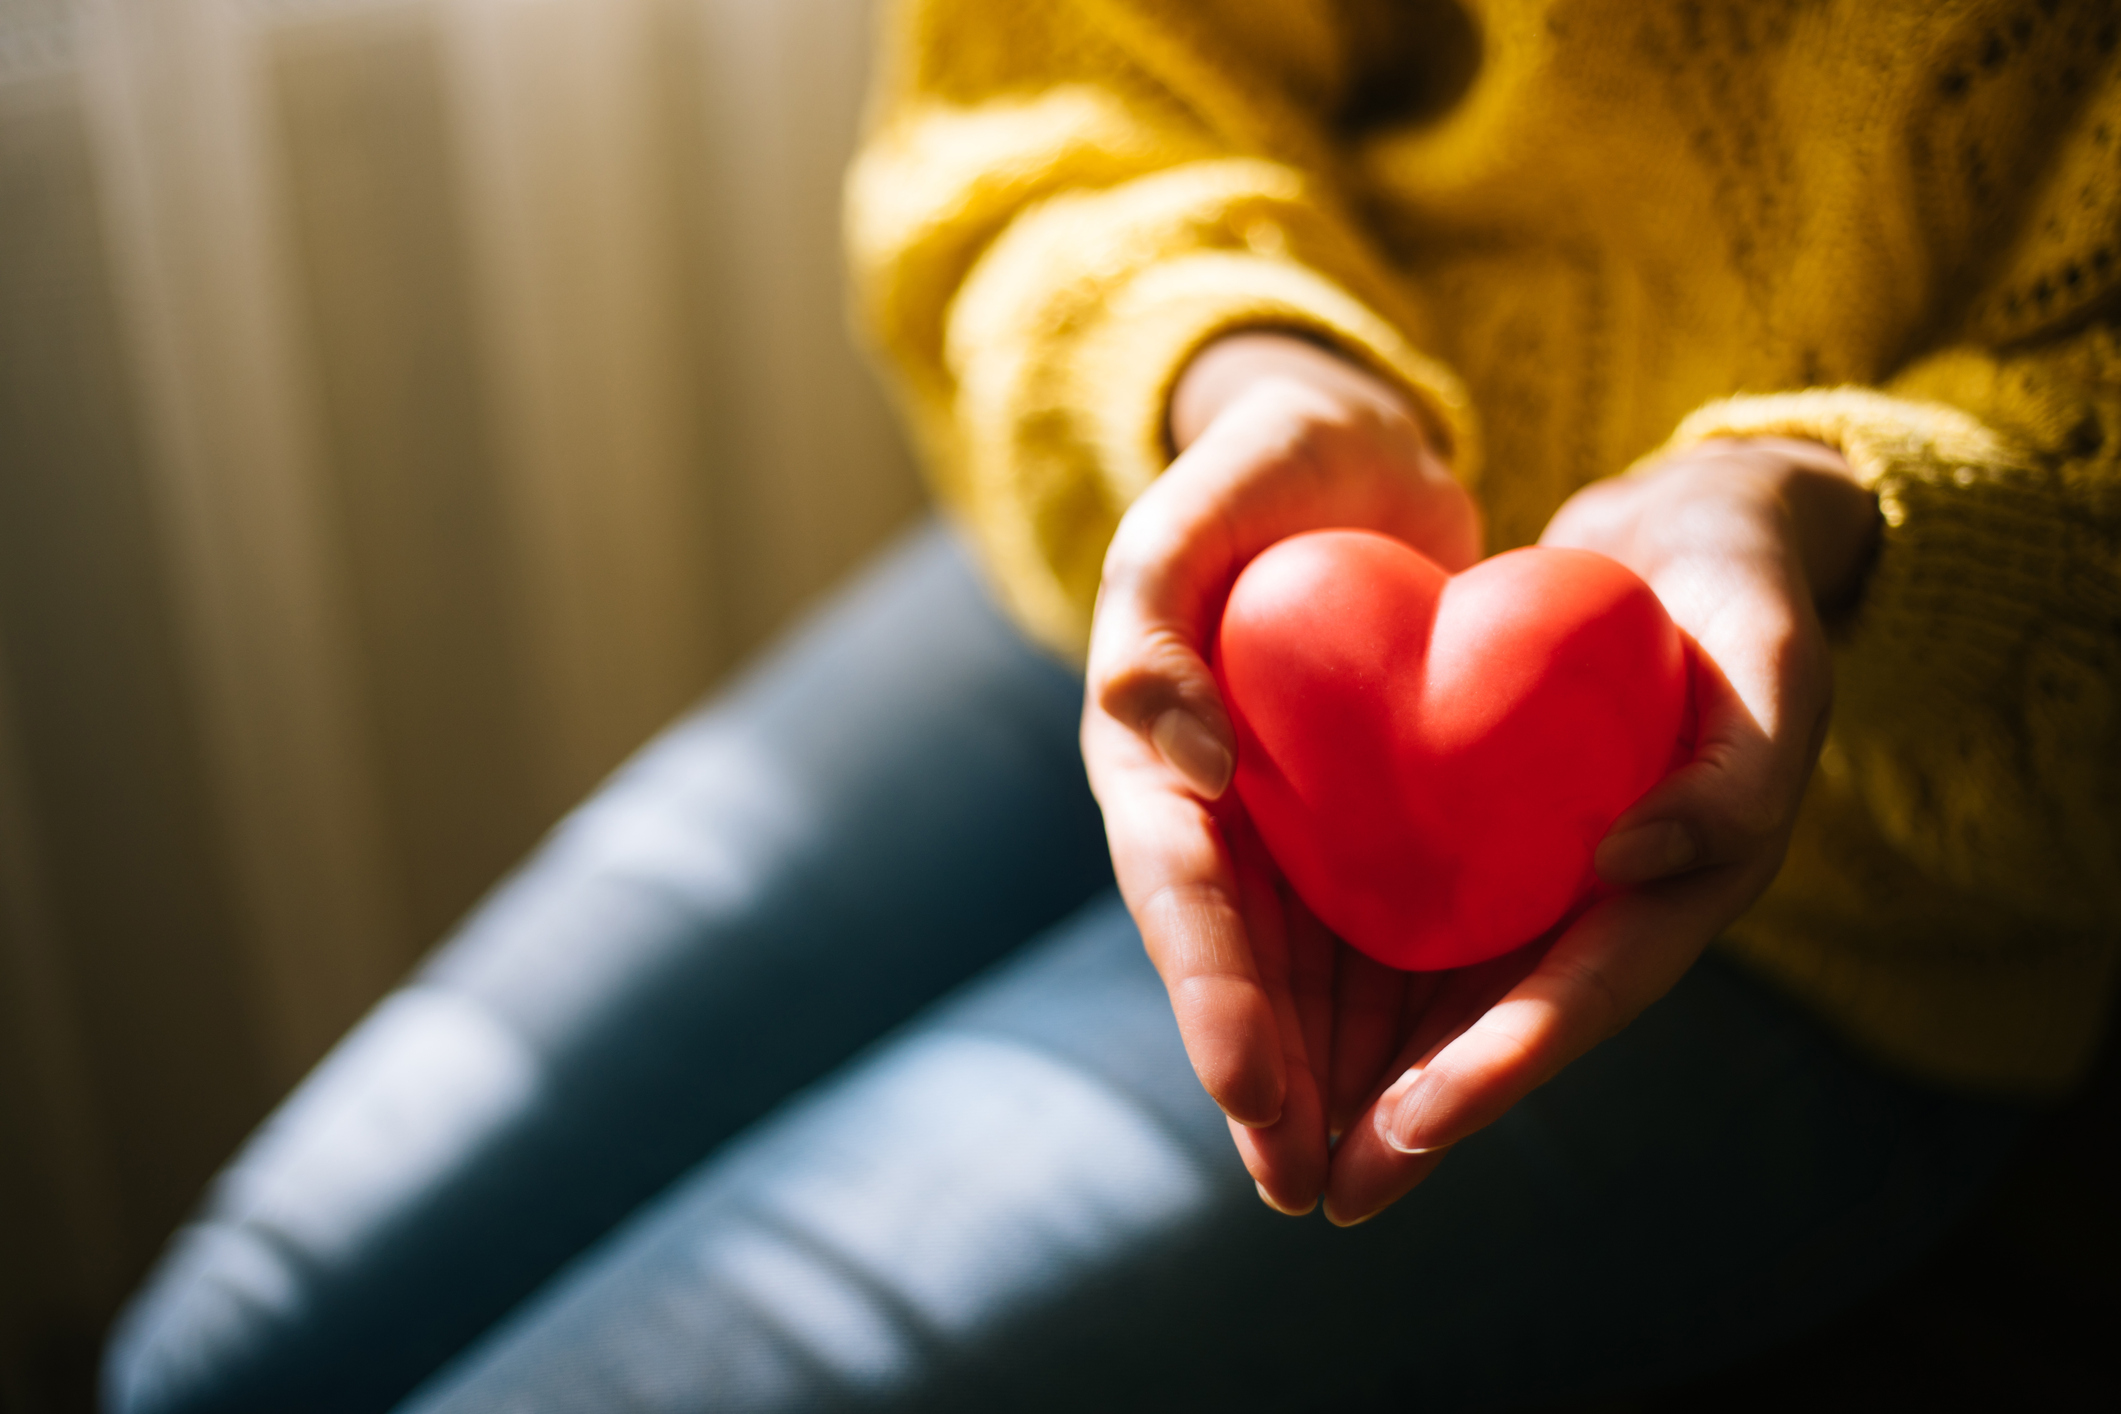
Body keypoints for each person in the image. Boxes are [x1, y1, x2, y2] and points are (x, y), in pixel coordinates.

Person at [105, 1, 2119, 1410]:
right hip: (1194, 542)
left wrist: (1842, 522)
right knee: (211, 1356)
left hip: (1856, 883)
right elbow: (1048, 80)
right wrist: (1235, 375)